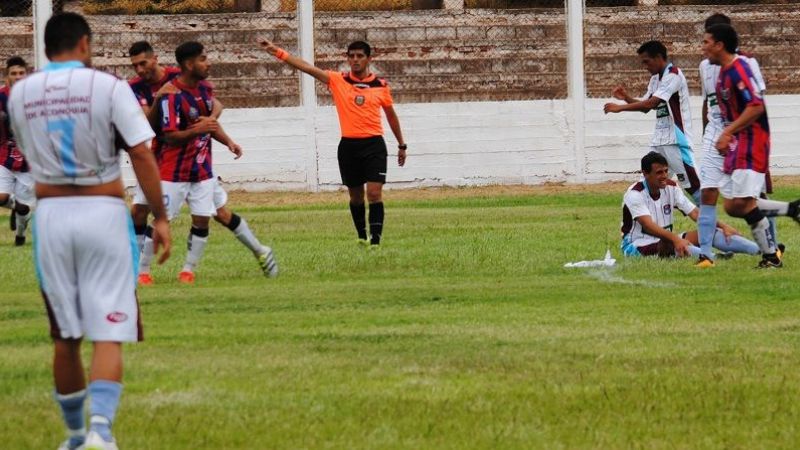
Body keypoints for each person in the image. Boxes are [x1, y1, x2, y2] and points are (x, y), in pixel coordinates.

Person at [7, 12, 171, 450]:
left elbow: (25, 149)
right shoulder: (109, 87)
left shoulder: (20, 93)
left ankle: (75, 436)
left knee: (64, 336)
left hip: (51, 217)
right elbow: (140, 152)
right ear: (84, 44)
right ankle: (100, 431)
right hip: (102, 211)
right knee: (108, 327)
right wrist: (159, 216)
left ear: (45, 50)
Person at [129, 41, 277, 282]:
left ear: (155, 59)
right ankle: (139, 271)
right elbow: (154, 125)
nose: (138, 70)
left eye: (142, 63)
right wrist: (172, 107)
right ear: (190, 64)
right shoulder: (147, 89)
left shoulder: (191, 80)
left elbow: (213, 109)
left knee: (214, 214)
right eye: (134, 65)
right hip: (162, 162)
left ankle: (251, 254)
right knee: (143, 212)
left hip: (199, 166)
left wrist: (217, 131)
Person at [260, 39, 406, 247]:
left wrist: (401, 145)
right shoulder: (338, 80)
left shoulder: (380, 86)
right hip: (349, 147)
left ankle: (375, 241)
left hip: (374, 145)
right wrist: (278, 52)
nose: (355, 60)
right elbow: (307, 68)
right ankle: (362, 237)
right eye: (351, 56)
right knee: (356, 197)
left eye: (360, 56)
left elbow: (391, 116)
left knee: (374, 193)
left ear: (368, 59)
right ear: (347, 58)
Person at [703, 23, 800, 268]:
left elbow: (756, 105)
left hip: (752, 141)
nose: (703, 47)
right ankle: (793, 209)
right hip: (738, 143)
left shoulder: (739, 69)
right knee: (732, 206)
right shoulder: (724, 73)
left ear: (719, 44)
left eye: (706, 42)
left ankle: (770, 256)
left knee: (744, 203)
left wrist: (728, 132)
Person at [604, 40, 701, 203]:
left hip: (676, 140)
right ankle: (654, 221)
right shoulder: (656, 79)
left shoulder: (674, 75)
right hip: (659, 140)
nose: (645, 66)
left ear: (658, 57)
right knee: (651, 183)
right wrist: (626, 98)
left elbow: (652, 103)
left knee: (694, 188)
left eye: (646, 61)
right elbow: (646, 107)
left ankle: (710, 224)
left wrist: (619, 108)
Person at [621, 152, 759, 259]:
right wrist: (676, 239)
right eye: (659, 173)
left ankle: (760, 250)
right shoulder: (635, 194)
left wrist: (723, 226)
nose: (664, 176)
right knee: (670, 242)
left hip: (666, 239)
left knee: (707, 231)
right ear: (645, 174)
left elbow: (695, 213)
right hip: (637, 245)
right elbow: (648, 226)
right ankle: (713, 257)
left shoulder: (671, 187)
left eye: (665, 171)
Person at [0, 56, 33, 245]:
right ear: (7, 76)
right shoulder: (1, 96)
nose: (18, 77)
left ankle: (20, 236)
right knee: (1, 197)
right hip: (4, 154)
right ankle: (16, 205)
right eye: (14, 73)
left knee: (23, 208)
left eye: (21, 73)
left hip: (28, 160)